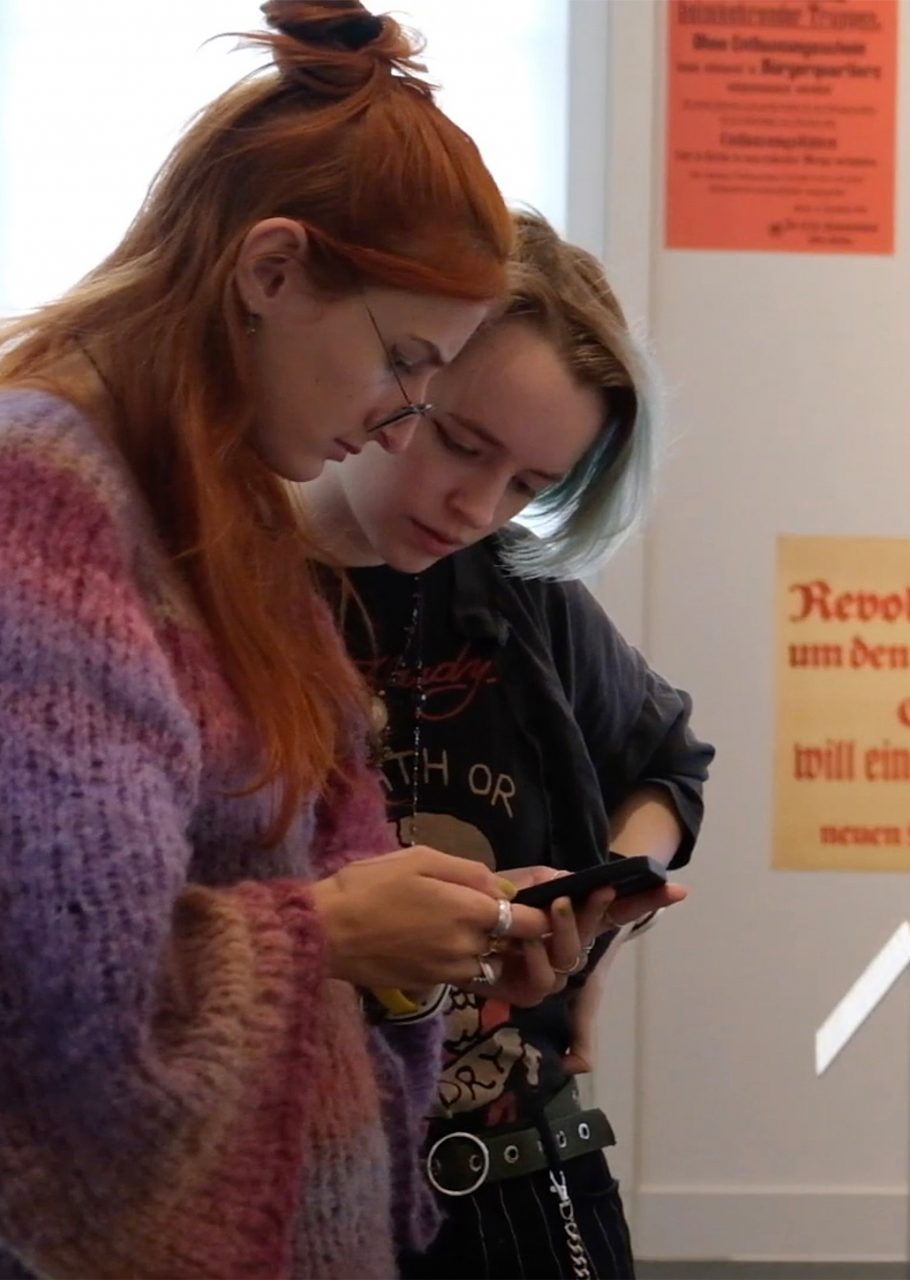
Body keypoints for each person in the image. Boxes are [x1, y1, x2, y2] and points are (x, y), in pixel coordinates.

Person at [0, 5, 590, 1274]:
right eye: (403, 361)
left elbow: (323, 857)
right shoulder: (43, 497)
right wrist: (334, 931)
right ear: (271, 272)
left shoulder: (224, 510)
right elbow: (65, 998)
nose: (397, 420)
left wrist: (442, 934)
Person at [301, 209, 714, 1279]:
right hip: (286, 1185)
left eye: (530, 485)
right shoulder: (209, 585)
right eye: (460, 443)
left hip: (517, 1179)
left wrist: (601, 907)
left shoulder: (521, 594)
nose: (476, 506)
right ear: (397, 373)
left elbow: (668, 764)